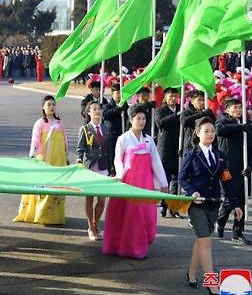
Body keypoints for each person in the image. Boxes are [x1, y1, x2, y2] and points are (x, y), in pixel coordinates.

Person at [178, 117, 242, 295]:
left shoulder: (221, 155)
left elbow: (227, 181)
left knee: (201, 241)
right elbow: (182, 179)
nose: (211, 134)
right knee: (206, 241)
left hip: (214, 204)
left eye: (213, 131)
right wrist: (192, 192)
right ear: (197, 134)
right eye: (206, 131)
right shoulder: (191, 154)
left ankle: (191, 274)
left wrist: (236, 204)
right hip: (197, 204)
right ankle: (212, 283)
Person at [103, 106, 168, 259]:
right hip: (129, 181)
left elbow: (156, 161)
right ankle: (132, 248)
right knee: (131, 215)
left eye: (143, 118)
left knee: (145, 214)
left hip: (145, 183)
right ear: (131, 120)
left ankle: (141, 244)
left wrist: (163, 183)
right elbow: (117, 159)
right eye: (138, 118)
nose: (141, 121)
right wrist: (119, 175)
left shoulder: (148, 139)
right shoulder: (123, 138)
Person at [14, 95, 67, 225]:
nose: (51, 107)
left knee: (57, 186)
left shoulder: (60, 123)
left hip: (58, 159)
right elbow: (35, 141)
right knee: (43, 185)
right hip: (44, 158)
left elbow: (65, 141)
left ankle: (54, 216)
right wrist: (34, 157)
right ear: (43, 107)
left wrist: (65, 156)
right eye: (48, 104)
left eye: (53, 104)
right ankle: (39, 214)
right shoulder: (40, 123)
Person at [214, 99, 252, 245]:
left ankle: (238, 232)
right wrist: (240, 128)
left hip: (243, 169)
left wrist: (251, 166)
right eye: (235, 107)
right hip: (227, 168)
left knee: (242, 200)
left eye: (240, 107)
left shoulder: (247, 125)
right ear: (227, 110)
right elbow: (219, 131)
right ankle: (220, 222)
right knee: (229, 199)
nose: (238, 110)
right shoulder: (222, 123)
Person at [75, 101, 111, 240]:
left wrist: (111, 166)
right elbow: (80, 148)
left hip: (103, 167)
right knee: (89, 198)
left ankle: (96, 224)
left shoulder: (105, 128)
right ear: (89, 113)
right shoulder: (84, 129)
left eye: (99, 109)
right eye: (94, 109)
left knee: (101, 199)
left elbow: (109, 148)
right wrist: (79, 159)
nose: (97, 111)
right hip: (89, 167)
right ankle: (90, 227)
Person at [154, 87, 181, 217]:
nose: (173, 99)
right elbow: (161, 123)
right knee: (165, 181)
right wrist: (176, 116)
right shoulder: (160, 110)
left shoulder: (181, 109)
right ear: (165, 97)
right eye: (171, 96)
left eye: (175, 96)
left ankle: (173, 208)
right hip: (165, 150)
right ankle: (164, 205)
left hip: (179, 150)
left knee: (176, 182)